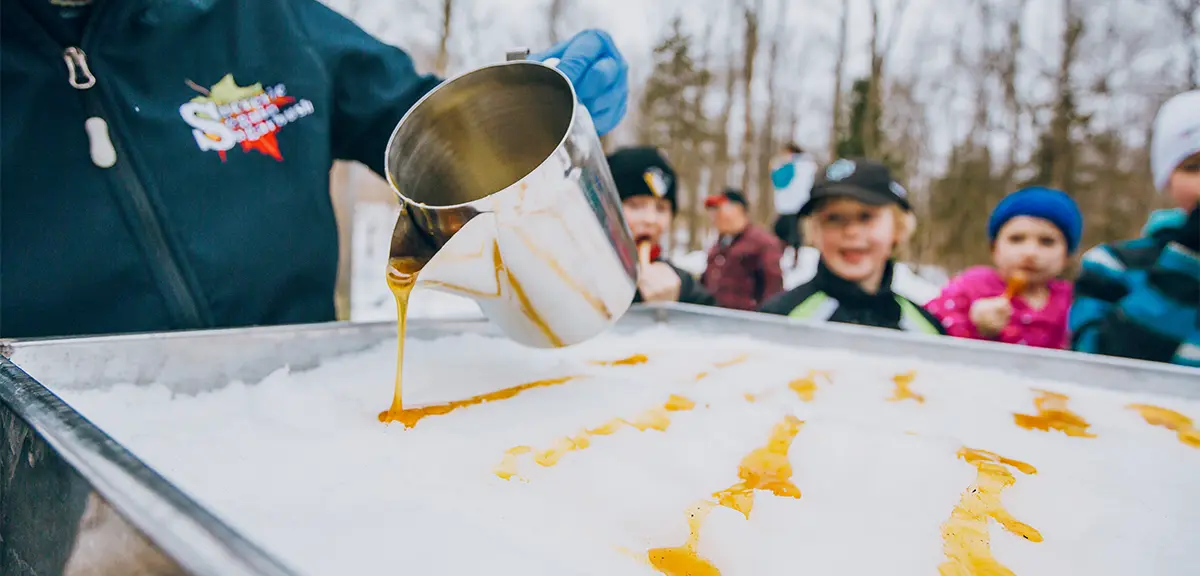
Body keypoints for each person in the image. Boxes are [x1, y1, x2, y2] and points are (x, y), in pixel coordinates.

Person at [1, 0, 629, 340]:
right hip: (66, 453)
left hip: (299, 405)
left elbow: (425, 127)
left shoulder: (263, 17)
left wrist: (524, 108)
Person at [1069, 90, 1200, 367]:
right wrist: (1184, 265)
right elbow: (1095, 364)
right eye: (1194, 167)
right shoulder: (1112, 265)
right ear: (1168, 179)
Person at [759, 158, 945, 335]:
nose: (851, 231)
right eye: (834, 218)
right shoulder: (780, 320)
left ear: (898, 227)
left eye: (866, 217)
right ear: (814, 232)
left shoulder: (926, 331)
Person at [925, 187, 1082, 349]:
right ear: (994, 248)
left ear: (1067, 256)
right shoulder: (969, 288)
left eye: (1046, 242)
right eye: (1016, 239)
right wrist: (972, 326)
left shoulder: (1074, 302)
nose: (1030, 253)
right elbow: (925, 331)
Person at [607, 147, 715, 306]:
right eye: (636, 206)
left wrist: (667, 314)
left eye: (661, 208)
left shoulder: (682, 285)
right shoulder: (576, 274)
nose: (651, 220)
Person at [700, 189, 785, 311]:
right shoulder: (719, 244)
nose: (714, 216)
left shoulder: (762, 243)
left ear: (738, 209)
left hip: (746, 324)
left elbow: (773, 291)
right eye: (712, 211)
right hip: (714, 321)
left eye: (719, 209)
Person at [770, 143, 819, 265]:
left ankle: (783, 258)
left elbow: (779, 181)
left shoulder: (792, 166)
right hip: (800, 205)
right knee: (792, 232)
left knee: (782, 231)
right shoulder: (808, 166)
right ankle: (789, 258)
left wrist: (774, 168)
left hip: (789, 206)